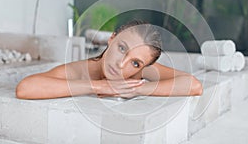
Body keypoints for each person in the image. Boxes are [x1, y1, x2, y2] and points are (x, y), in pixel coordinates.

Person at [16, 20, 202, 100]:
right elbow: (25, 88)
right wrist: (100, 86)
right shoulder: (79, 71)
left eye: (135, 62)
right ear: (111, 39)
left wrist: (134, 90)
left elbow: (194, 85)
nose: (121, 64)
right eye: (122, 48)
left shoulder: (139, 72)